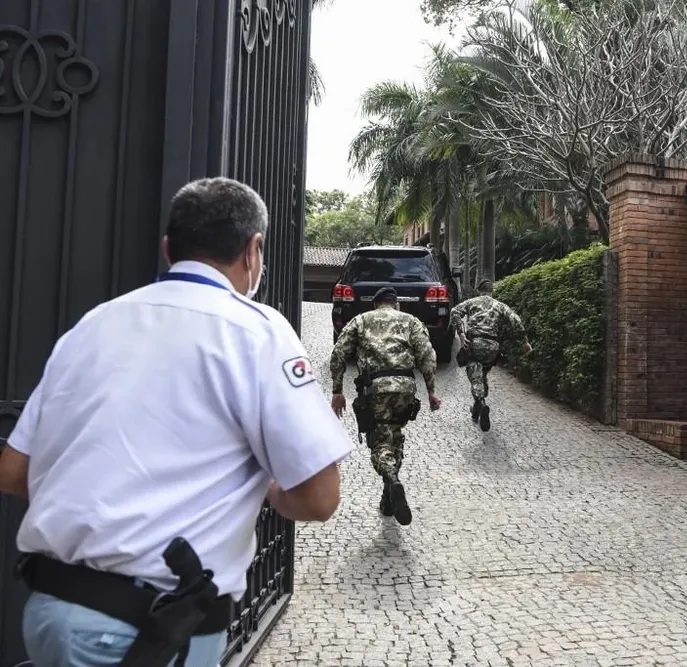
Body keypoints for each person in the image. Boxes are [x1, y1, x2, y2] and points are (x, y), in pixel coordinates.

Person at [0, 177, 354, 667]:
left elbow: (15, 471)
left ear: (169, 249)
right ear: (253, 253)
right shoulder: (257, 332)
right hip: (148, 631)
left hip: (49, 614)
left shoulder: (94, 324)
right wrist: (271, 491)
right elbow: (320, 497)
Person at [329, 287, 440, 526]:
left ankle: (390, 477)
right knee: (395, 435)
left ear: (375, 304)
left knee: (380, 441)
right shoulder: (411, 321)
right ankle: (388, 498)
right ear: (396, 303)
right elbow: (427, 355)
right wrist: (431, 391)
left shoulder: (361, 320)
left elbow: (338, 353)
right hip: (405, 388)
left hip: (375, 389)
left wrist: (337, 390)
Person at [451, 279, 532, 432]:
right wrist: (525, 343)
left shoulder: (472, 302)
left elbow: (455, 311)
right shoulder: (500, 305)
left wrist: (461, 334)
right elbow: (516, 320)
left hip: (475, 343)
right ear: (492, 291)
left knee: (475, 377)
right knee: (482, 375)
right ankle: (476, 410)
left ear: (479, 291)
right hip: (493, 347)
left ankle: (481, 403)